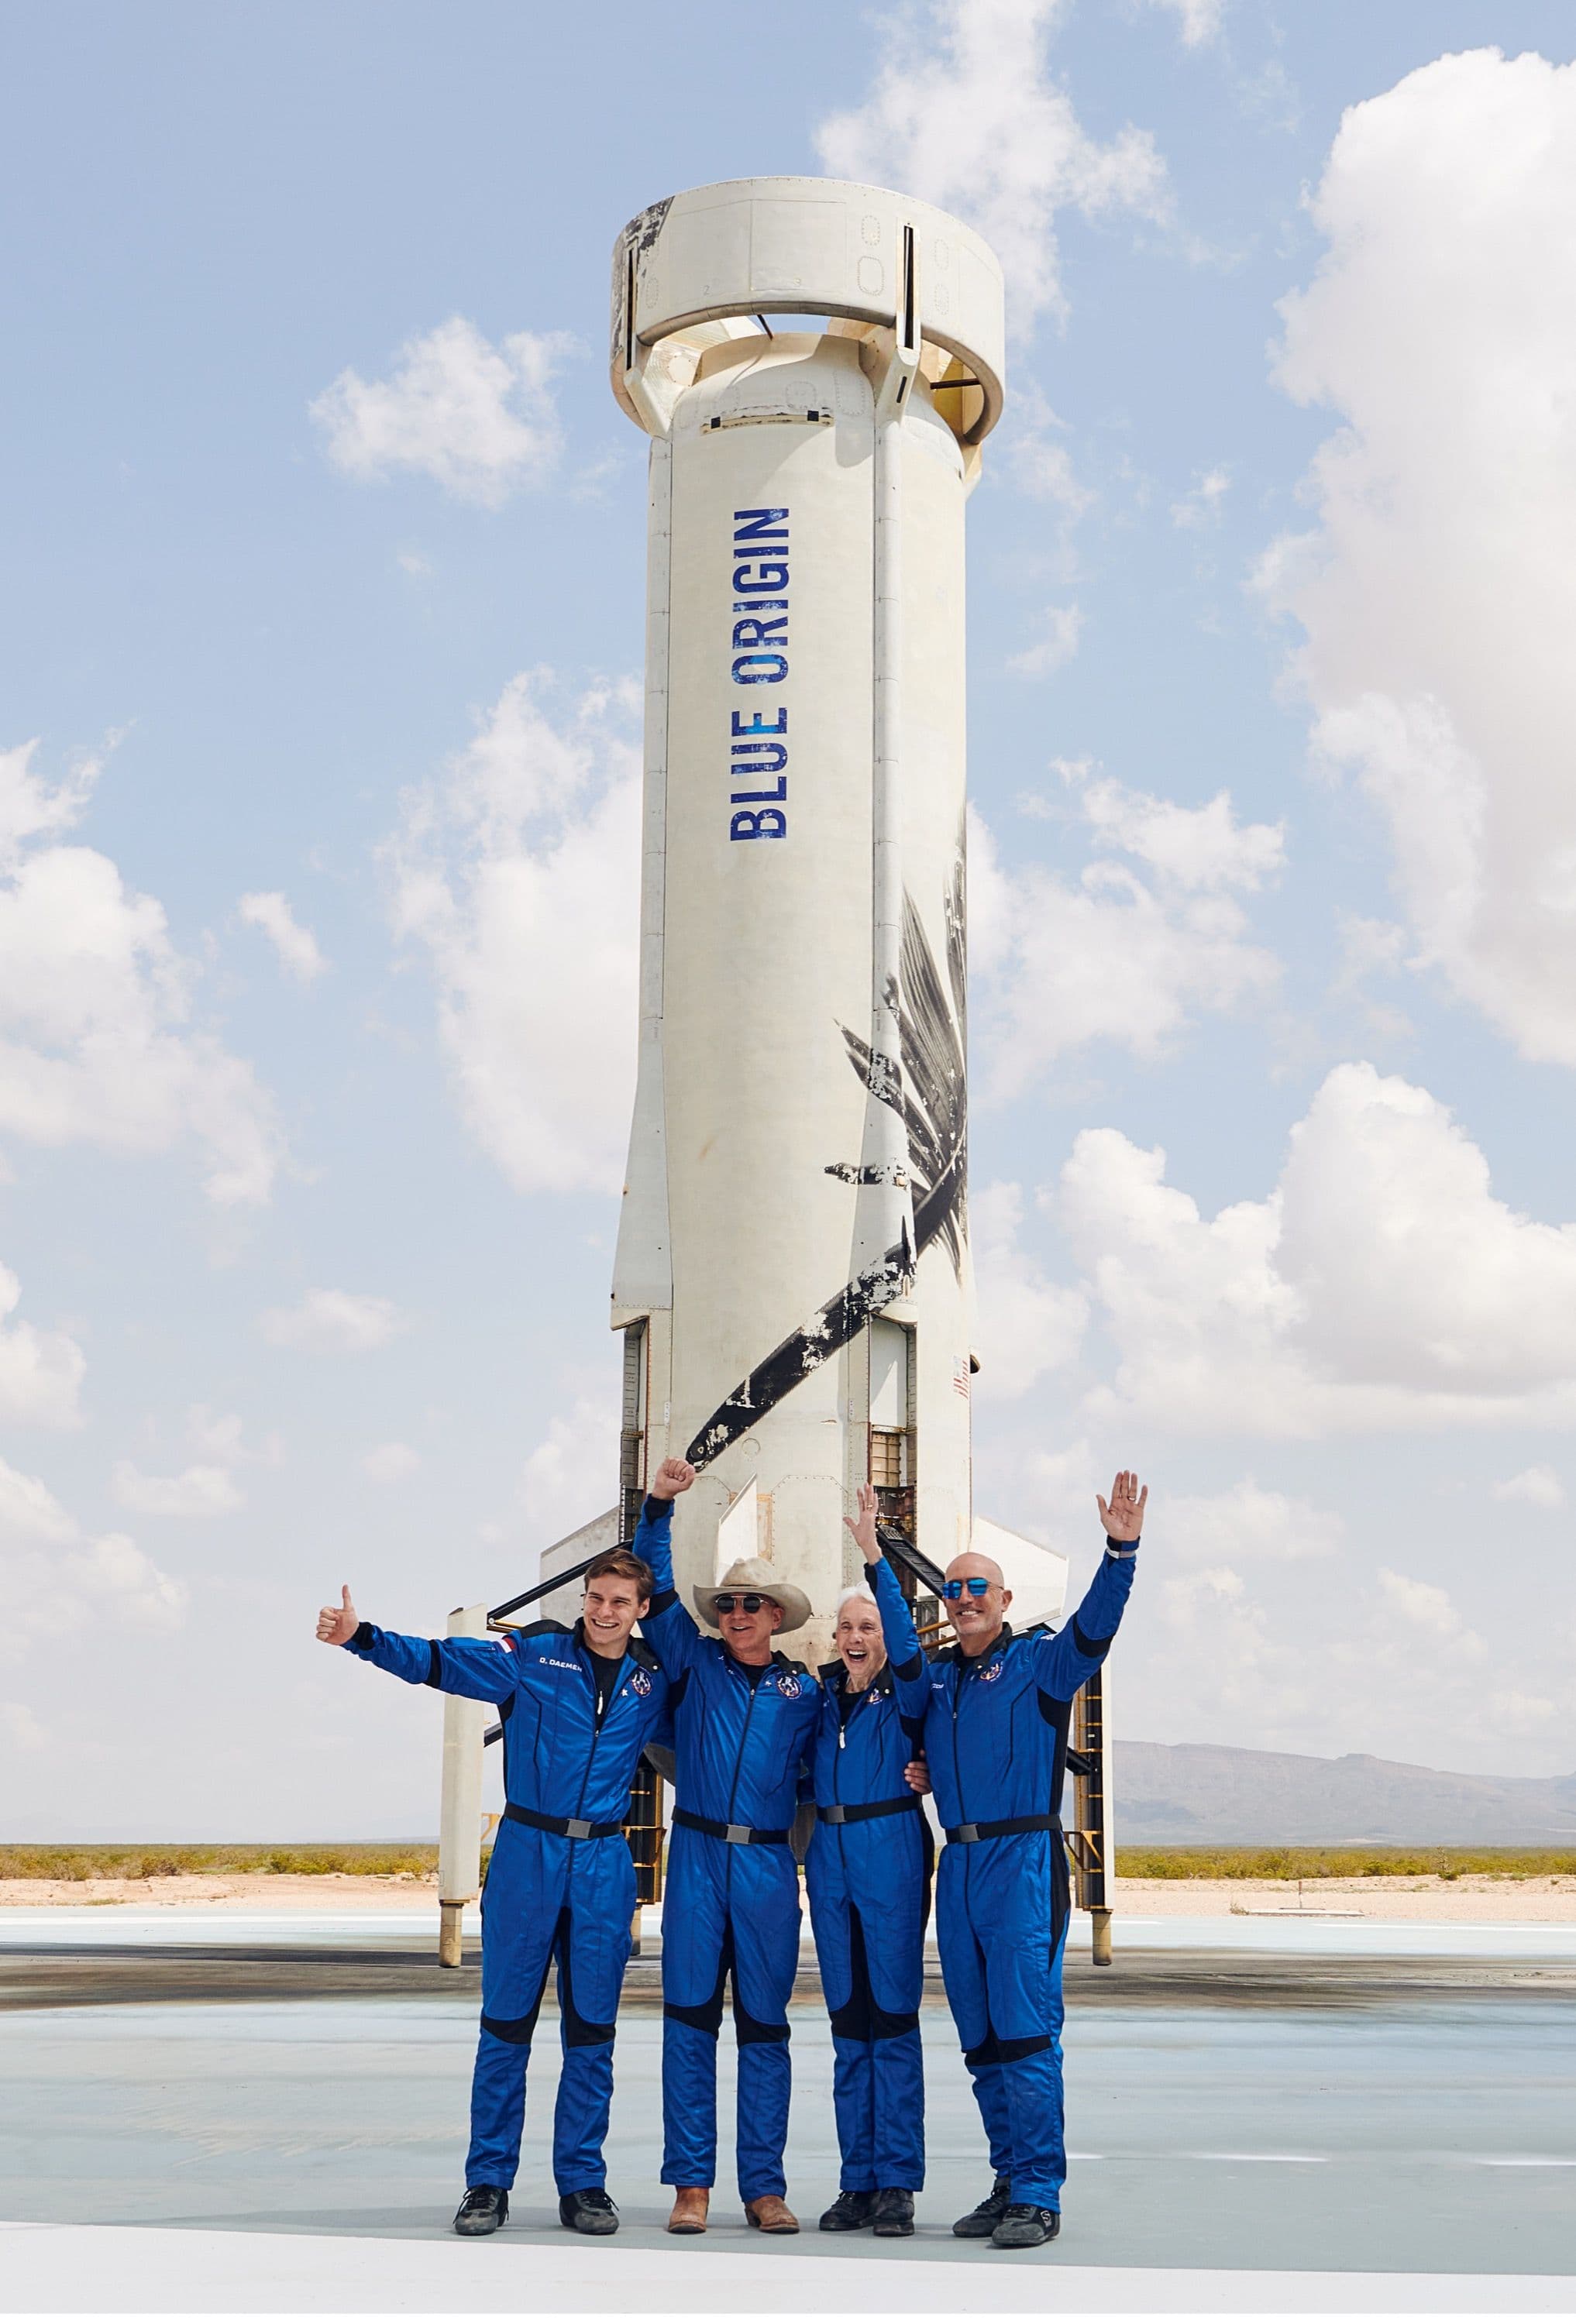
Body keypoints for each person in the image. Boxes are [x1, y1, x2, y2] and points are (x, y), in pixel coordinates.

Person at [315, 1527, 672, 2240]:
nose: (604, 1611)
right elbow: (442, 1663)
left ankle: (584, 2185)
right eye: (596, 1597)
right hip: (526, 1856)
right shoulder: (533, 1657)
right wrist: (364, 1637)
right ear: (584, 1598)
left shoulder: (654, 1680)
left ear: (640, 1608)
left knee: (591, 2031)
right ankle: (487, 2182)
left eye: (620, 1601)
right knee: (505, 2027)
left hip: (603, 1864)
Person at [867, 1468, 1147, 2250]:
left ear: (1006, 1599)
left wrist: (1119, 1553)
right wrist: (872, 1558)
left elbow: (1097, 1627)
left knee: (1026, 2033)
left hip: (1023, 1866)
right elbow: (897, 1642)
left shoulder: (1040, 1666)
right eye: (954, 1591)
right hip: (956, 1871)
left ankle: (1038, 2191)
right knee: (983, 2039)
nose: (965, 1600)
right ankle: (1005, 2178)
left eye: (979, 1588)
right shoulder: (940, 1683)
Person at [635, 1454, 822, 2236]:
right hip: (699, 1859)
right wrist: (658, 1509)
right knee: (687, 2020)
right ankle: (690, 2186)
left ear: (776, 1616)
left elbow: (830, 1777)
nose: (740, 1613)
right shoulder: (694, 1662)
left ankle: (764, 2187)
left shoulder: (805, 1693)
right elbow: (656, 1593)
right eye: (731, 1604)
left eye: (753, 1604)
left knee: (766, 2027)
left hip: (770, 1867)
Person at [806, 1483, 934, 2238]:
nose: (856, 1636)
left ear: (888, 1636)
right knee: (847, 2027)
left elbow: (915, 1655)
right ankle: (856, 2181)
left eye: (870, 1626)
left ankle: (897, 2184)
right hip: (829, 1867)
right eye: (846, 1626)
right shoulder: (821, 1699)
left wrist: (873, 1555)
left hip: (890, 1857)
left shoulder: (905, 1696)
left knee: (893, 2023)